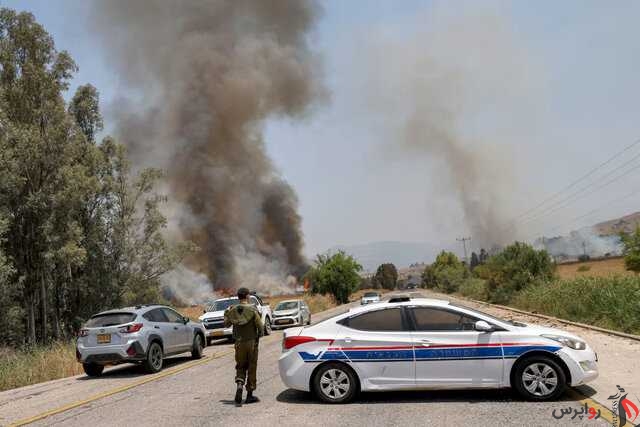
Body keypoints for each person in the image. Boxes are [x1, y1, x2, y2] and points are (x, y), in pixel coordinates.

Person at [224, 287, 264, 406]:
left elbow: (226, 324)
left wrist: (226, 313)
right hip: (251, 343)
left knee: (240, 366)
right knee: (251, 367)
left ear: (238, 297)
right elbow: (260, 328)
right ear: (247, 296)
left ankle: (240, 384)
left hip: (239, 343)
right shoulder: (252, 309)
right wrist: (258, 337)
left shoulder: (232, 310)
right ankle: (249, 395)